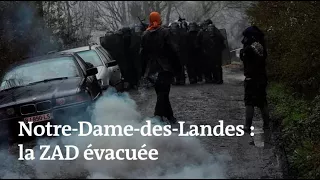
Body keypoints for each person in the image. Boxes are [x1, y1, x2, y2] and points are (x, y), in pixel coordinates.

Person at [140, 12, 180, 124]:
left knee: (162, 93)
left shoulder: (145, 34)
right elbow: (173, 50)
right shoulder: (165, 32)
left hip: (152, 68)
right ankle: (158, 116)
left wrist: (143, 71)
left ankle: (170, 116)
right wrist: (177, 67)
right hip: (165, 67)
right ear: (159, 19)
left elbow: (142, 54)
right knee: (163, 93)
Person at [240, 26, 270, 133]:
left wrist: (243, 50)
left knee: (249, 102)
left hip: (251, 79)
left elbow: (244, 58)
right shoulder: (261, 46)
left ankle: (247, 126)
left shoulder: (249, 49)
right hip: (262, 78)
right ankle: (266, 125)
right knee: (262, 102)